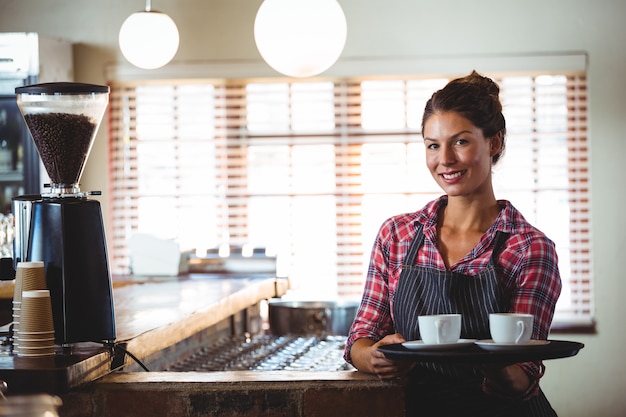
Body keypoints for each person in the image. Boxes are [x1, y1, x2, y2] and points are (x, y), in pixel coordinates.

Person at [344, 71, 562, 416]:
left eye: (460, 142)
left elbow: (523, 380)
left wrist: (493, 363)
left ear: (494, 142)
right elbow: (361, 337)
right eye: (433, 145)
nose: (444, 159)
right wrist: (372, 358)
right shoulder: (397, 235)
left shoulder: (529, 248)